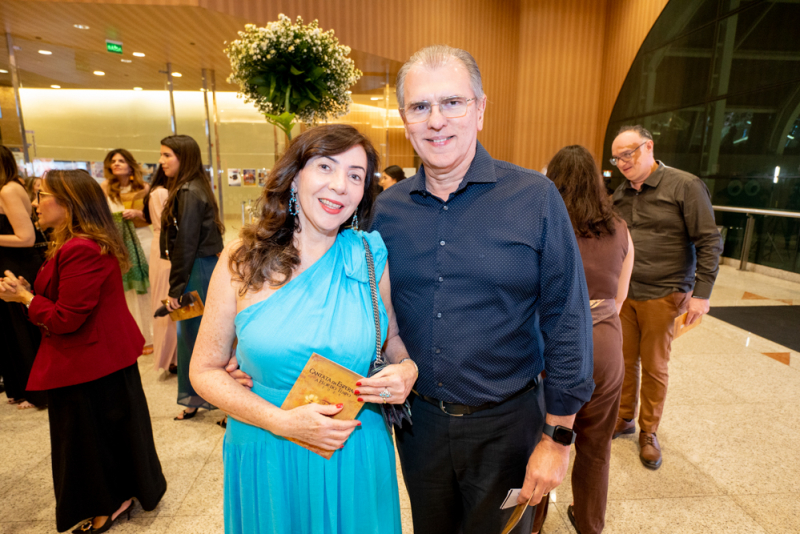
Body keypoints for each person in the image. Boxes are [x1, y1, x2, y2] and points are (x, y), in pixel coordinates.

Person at [370, 45, 593, 534]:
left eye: (452, 102)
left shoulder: (534, 199)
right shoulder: (387, 211)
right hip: (417, 425)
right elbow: (366, 308)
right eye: (420, 107)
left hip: (508, 426)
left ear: (480, 110)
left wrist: (558, 440)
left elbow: (568, 321)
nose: (436, 121)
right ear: (405, 119)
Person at [190, 124, 412, 534]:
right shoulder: (241, 261)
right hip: (266, 444)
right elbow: (203, 370)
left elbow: (391, 338)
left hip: (354, 445)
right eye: (326, 166)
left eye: (355, 175)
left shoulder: (368, 254)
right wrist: (281, 422)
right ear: (295, 176)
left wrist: (407, 368)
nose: (339, 185)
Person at [0, 170, 166, 533]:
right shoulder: (78, 242)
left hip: (88, 360)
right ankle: (124, 492)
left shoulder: (81, 247)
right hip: (99, 356)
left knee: (90, 441)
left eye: (42, 195)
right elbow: (69, 299)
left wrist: (24, 298)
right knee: (111, 434)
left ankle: (111, 501)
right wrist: (31, 290)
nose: (34, 203)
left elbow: (66, 319)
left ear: (69, 203)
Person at [531, 145, 634, 534]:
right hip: (605, 344)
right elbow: (620, 297)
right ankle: (590, 524)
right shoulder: (621, 229)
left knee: (542, 441)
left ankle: (533, 523)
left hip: (549, 345)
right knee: (596, 446)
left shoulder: (540, 224)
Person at [611, 125, 722, 469]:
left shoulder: (685, 186)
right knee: (624, 363)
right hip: (626, 294)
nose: (622, 163)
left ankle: (649, 431)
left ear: (648, 147)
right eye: (616, 158)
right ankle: (625, 418)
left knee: (656, 366)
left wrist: (700, 295)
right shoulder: (620, 194)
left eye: (627, 154)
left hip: (665, 292)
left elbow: (709, 241)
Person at [159, 135, 225, 421]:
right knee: (200, 336)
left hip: (196, 270)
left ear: (182, 157)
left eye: (166, 156)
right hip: (203, 267)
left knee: (198, 338)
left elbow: (186, 242)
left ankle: (222, 404)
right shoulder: (195, 186)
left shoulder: (188, 190)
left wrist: (175, 288)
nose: (161, 162)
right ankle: (196, 399)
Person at [0, 145, 47, 409]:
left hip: (18, 266)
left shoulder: (8, 189)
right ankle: (21, 387)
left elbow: (26, 237)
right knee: (11, 329)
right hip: (8, 263)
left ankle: (38, 390)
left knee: (23, 328)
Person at [101, 149, 153, 350]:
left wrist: (137, 212)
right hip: (118, 241)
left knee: (146, 287)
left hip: (142, 239)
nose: (116, 164)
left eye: (121, 160)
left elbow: (152, 217)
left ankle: (150, 335)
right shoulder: (106, 187)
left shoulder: (143, 188)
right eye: (113, 161)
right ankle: (132, 334)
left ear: (130, 165)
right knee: (125, 289)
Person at [142, 167, 178, 373]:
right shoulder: (162, 192)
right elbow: (168, 224)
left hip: (162, 246)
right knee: (168, 298)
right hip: (166, 248)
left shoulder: (156, 192)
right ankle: (170, 357)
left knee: (165, 296)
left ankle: (171, 356)